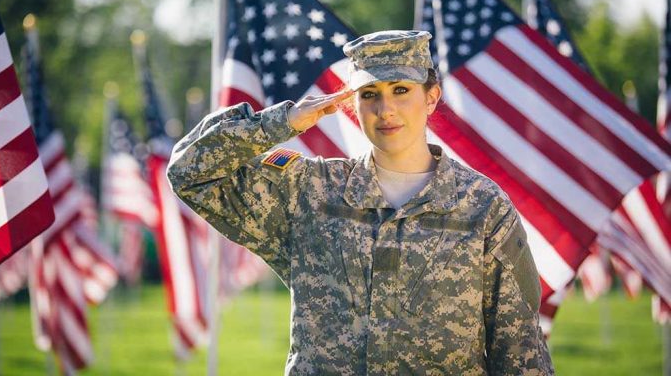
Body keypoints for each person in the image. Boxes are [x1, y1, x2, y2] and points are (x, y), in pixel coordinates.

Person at [167, 30, 554, 375]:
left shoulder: (481, 206)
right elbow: (189, 172)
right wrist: (283, 122)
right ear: (353, 104)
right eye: (370, 95)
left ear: (431, 98)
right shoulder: (310, 192)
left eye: (401, 90)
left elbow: (518, 347)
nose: (385, 109)